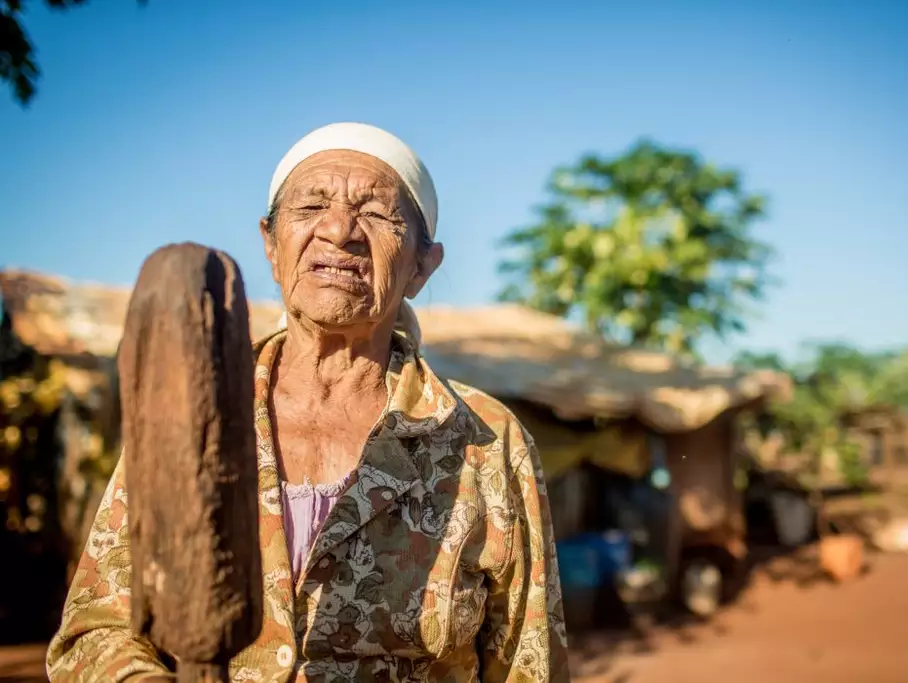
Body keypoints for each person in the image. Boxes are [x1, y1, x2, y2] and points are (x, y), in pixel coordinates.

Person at [47, 123, 569, 682]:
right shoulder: (198, 413)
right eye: (312, 205)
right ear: (271, 245)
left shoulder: (484, 439)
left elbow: (529, 662)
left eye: (376, 213)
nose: (339, 229)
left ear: (422, 266)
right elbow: (95, 631)